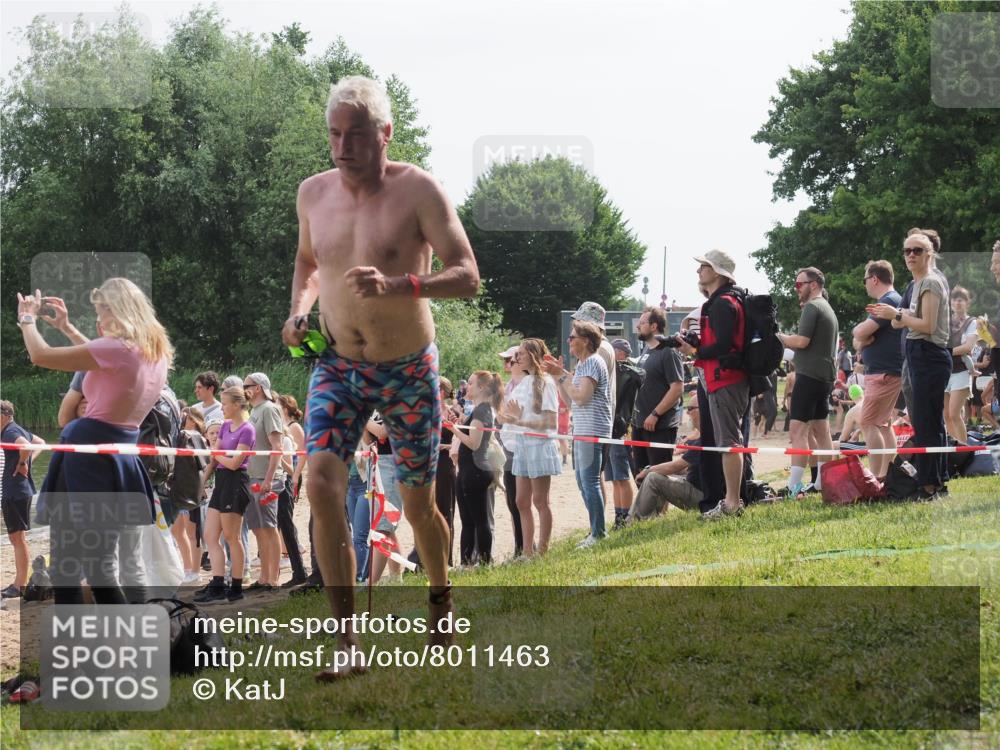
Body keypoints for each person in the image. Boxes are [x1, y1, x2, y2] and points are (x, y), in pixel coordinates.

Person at [282, 75, 479, 677]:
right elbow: (307, 263)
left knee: (419, 504)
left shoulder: (418, 189)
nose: (343, 146)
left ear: (385, 134)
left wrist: (402, 284)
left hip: (408, 368)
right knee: (319, 485)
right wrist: (298, 312)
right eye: (335, 135)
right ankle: (347, 645)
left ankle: (440, 596)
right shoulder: (312, 194)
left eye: (357, 134)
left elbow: (467, 275)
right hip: (338, 364)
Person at [19, 280, 171, 604]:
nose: (99, 317)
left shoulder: (118, 349)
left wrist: (27, 319)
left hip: (87, 457)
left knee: (75, 568)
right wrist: (67, 327)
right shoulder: (153, 354)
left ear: (119, 310)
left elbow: (40, 355)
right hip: (118, 456)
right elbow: (106, 365)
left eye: (102, 309)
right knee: (94, 566)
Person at [868, 231, 951, 499]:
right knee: (927, 422)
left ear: (930, 254)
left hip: (928, 353)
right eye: (907, 251)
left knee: (928, 423)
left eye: (917, 250)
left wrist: (899, 315)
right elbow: (895, 322)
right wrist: (896, 316)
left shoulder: (931, 282)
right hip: (918, 353)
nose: (911, 255)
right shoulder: (915, 284)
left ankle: (929, 486)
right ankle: (935, 482)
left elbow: (926, 325)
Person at [675, 250, 750, 519]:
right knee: (726, 441)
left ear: (718, 272)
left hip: (725, 379)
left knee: (729, 442)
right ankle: (731, 500)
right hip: (725, 378)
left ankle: (732, 502)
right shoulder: (724, 301)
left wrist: (695, 351)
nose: (699, 271)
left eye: (704, 266)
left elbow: (724, 345)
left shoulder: (722, 303)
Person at [543, 321, 613, 548]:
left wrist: (561, 375)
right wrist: (556, 375)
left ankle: (599, 533)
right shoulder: (583, 364)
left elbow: (582, 397)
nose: (568, 340)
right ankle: (595, 530)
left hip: (593, 430)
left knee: (589, 481)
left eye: (573, 337)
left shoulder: (593, 361)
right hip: (583, 430)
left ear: (586, 340)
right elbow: (570, 400)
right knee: (583, 482)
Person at [778, 267, 839, 495]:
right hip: (823, 376)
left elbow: (802, 341)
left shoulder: (813, 307)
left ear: (813, 284)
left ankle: (794, 487)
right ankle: (824, 482)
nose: (797, 289)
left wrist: (780, 337)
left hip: (809, 376)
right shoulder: (827, 308)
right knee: (822, 431)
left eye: (799, 284)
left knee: (797, 431)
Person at [502, 339, 562, 557]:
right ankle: (527, 552)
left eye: (521, 354)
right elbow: (512, 414)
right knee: (521, 500)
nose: (517, 358)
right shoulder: (524, 383)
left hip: (539, 445)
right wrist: (508, 418)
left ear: (533, 356)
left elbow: (550, 423)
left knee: (540, 501)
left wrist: (518, 422)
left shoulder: (545, 382)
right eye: (516, 354)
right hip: (522, 446)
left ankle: (543, 551)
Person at [195, 386, 255, 603]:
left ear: (238, 404)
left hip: (236, 482)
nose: (223, 408)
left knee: (232, 537)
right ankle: (218, 583)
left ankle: (236, 586)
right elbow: (217, 458)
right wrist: (202, 483)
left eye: (226, 403)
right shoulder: (226, 426)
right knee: (210, 535)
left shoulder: (247, 429)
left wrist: (217, 454)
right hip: (220, 482)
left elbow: (234, 463)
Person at [852, 260, 904, 479]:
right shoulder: (890, 301)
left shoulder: (888, 301)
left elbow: (860, 332)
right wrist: (861, 338)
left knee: (868, 422)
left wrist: (861, 337)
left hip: (884, 373)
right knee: (883, 424)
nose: (865, 284)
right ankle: (887, 474)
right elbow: (858, 339)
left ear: (874, 279)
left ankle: (874, 477)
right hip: (885, 372)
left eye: (865, 279)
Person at [451, 371, 502, 566]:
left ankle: (485, 561)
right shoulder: (478, 409)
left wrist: (453, 429)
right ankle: (466, 563)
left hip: (476, 470)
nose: (467, 387)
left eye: (470, 383)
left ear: (481, 387)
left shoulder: (483, 410)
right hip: (466, 470)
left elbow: (474, 443)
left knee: (480, 521)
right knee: (467, 521)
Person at [242, 372, 284, 593]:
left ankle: (273, 579)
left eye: (246, 385)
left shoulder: (269, 409)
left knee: (269, 527)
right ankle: (264, 577)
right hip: (253, 476)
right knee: (258, 528)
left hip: (266, 479)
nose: (243, 388)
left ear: (257, 388)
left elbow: (277, 447)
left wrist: (269, 478)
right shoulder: (254, 411)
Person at [628, 403, 703, 521]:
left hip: (702, 498)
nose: (687, 413)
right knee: (659, 474)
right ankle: (650, 517)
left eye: (690, 409)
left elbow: (676, 466)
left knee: (653, 478)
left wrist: (649, 470)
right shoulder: (706, 435)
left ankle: (634, 521)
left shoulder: (704, 439)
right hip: (701, 492)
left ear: (702, 410)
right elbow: (687, 468)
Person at [0, 401, 44, 598]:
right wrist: (27, 463)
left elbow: (25, 446)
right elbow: (40, 443)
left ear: (4, 415)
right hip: (19, 490)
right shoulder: (15, 428)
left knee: (18, 538)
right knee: (16, 537)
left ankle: (19, 585)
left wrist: (22, 462)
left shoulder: (10, 431)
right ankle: (19, 583)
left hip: (15, 491)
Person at [632, 307, 684, 467]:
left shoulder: (668, 351)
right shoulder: (647, 350)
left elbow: (677, 387)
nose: (637, 326)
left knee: (658, 479)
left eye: (642, 323)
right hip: (640, 424)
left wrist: (655, 414)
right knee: (640, 476)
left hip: (659, 426)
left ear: (654, 326)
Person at [171, 405, 207, 584]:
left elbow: (203, 464)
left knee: (193, 534)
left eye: (184, 416)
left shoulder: (196, 437)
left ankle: (195, 569)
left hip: (192, 489)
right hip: (180, 488)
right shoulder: (181, 436)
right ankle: (187, 568)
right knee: (178, 531)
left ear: (192, 419)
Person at [276, 393, 308, 587]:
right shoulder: (282, 427)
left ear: (286, 408)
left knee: (286, 520)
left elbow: (302, 454)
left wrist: (296, 475)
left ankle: (298, 562)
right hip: (286, 473)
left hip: (290, 475)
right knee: (283, 522)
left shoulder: (294, 427)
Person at [608, 338, 639, 529]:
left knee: (621, 476)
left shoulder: (628, 373)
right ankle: (618, 515)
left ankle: (625, 516)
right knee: (614, 478)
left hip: (620, 429)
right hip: (610, 429)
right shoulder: (617, 372)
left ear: (620, 353)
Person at [497, 346, 525, 556]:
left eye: (509, 360)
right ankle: (520, 545)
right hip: (508, 445)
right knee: (512, 500)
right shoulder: (509, 386)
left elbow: (511, 417)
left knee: (520, 500)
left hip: (518, 446)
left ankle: (525, 545)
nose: (505, 364)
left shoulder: (523, 386)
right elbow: (502, 417)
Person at [945, 286, 979, 444]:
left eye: (961, 299)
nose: (957, 302)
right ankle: (953, 451)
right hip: (944, 371)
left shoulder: (973, 322)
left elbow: (967, 347)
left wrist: (944, 351)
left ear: (967, 302)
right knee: (946, 415)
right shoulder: (944, 321)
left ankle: (964, 452)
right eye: (954, 299)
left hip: (961, 372)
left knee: (954, 414)